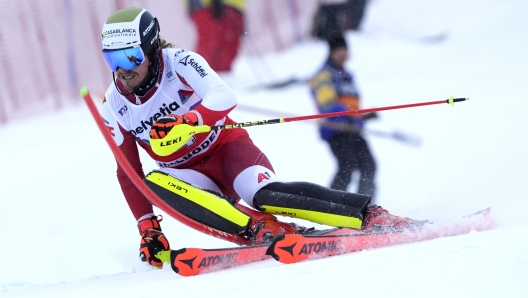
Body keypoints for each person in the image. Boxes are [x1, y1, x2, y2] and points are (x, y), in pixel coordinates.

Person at [100, 7, 422, 268]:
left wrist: (188, 120)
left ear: (152, 48)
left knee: (265, 195)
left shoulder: (179, 63)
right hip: (188, 176)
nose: (122, 71)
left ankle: (368, 215)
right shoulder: (114, 105)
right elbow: (128, 172)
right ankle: (262, 228)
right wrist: (148, 229)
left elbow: (223, 95)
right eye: (112, 60)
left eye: (130, 57)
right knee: (155, 182)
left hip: (225, 150)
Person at [309, 35, 377, 198]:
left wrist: (362, 116)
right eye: (338, 50)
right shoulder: (324, 75)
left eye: (345, 50)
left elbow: (350, 104)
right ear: (331, 53)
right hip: (336, 130)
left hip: (352, 129)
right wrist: (350, 116)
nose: (343, 54)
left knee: (369, 165)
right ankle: (332, 206)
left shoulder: (347, 75)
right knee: (347, 166)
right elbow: (327, 103)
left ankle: (366, 207)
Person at [187, 0, 245, 72]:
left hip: (233, 6)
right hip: (206, 5)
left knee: (228, 45)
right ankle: (201, 74)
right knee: (209, 42)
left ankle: (219, 77)